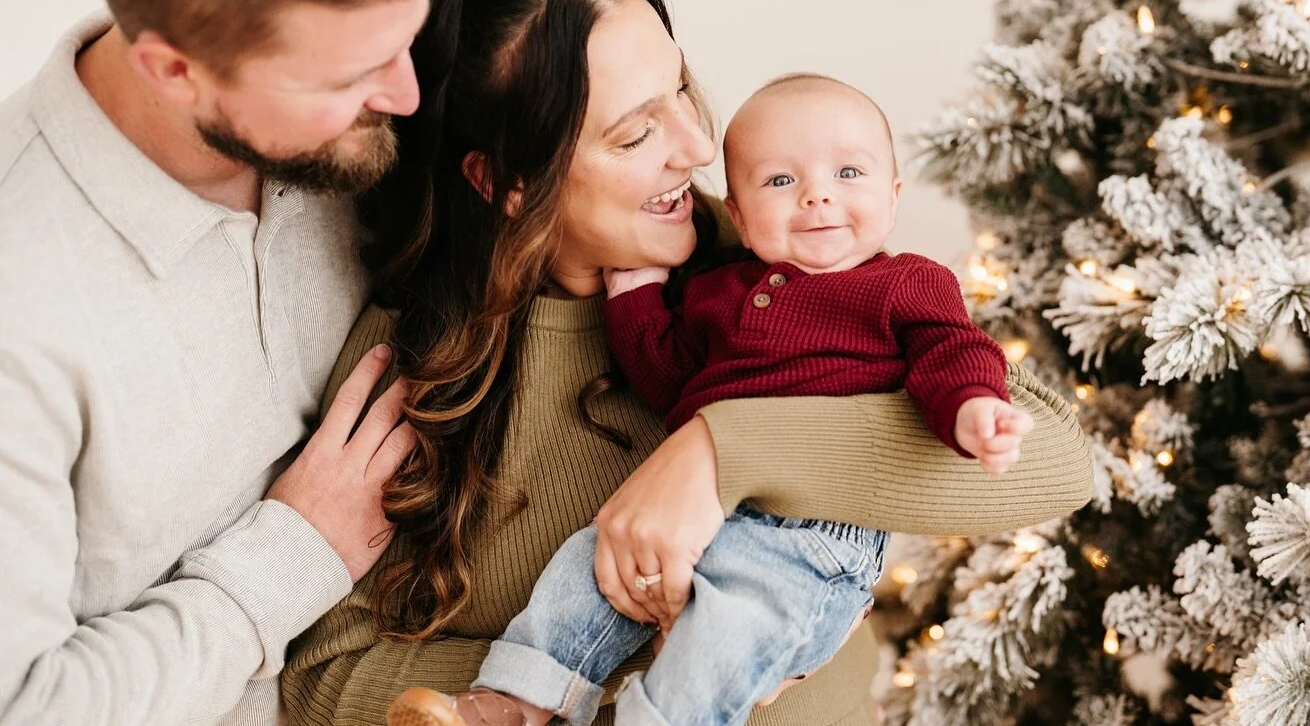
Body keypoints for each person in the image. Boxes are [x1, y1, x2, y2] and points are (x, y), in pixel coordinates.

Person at [281, 0, 1093, 726]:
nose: (699, 149)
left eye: (679, 89)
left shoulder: (766, 262)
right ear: (505, 182)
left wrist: (717, 453)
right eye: (637, 133)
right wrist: (667, 670)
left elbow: (1058, 461)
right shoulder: (418, 364)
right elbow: (322, 679)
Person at [0, 0, 448, 724]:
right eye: (354, 73)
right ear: (175, 67)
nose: (407, 95)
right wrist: (293, 551)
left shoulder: (339, 126)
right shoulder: (21, 306)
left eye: (404, 40)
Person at [387, 73, 1036, 726]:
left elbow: (951, 350)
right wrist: (635, 293)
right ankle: (512, 702)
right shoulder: (717, 290)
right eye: (781, 182)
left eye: (848, 172)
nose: (817, 195)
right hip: (697, 524)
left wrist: (973, 405)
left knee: (729, 630)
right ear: (741, 216)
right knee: (586, 566)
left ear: (893, 197)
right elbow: (669, 378)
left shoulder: (905, 283)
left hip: (810, 540)